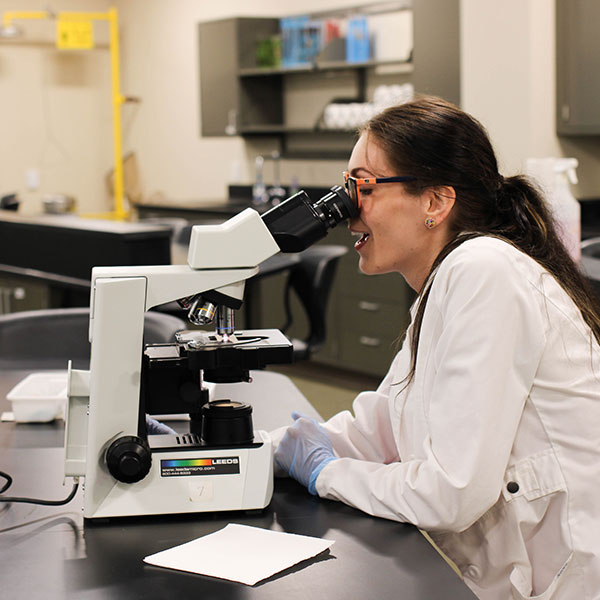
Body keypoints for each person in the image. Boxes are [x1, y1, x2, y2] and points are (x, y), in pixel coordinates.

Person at [272, 96, 600, 600]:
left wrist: (327, 473)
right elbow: (382, 426)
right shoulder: (448, 279)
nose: (347, 212)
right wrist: (255, 452)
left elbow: (453, 491)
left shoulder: (483, 269)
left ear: (435, 202)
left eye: (362, 187)